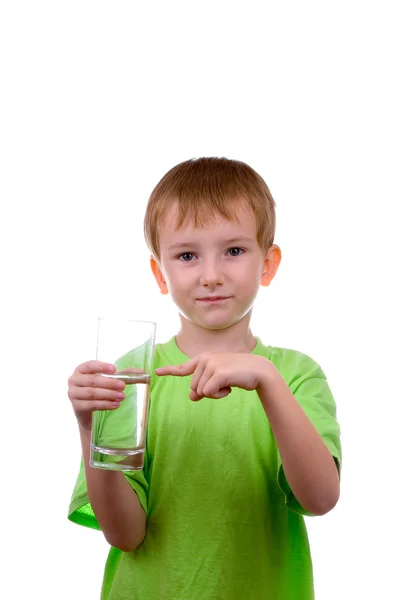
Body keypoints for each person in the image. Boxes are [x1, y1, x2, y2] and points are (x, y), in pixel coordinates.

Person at [68, 157, 341, 600]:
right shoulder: (135, 377)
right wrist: (88, 428)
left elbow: (320, 499)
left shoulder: (295, 375)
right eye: (187, 255)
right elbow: (125, 534)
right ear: (161, 273)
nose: (211, 276)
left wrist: (267, 381)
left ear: (267, 265)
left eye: (233, 250)